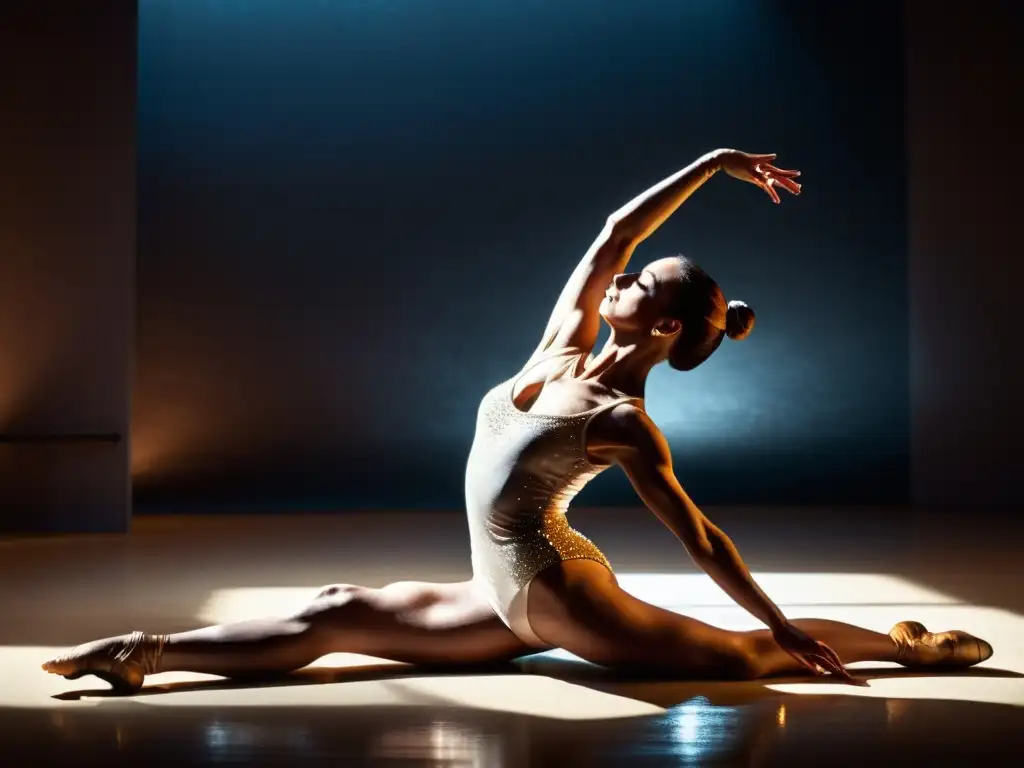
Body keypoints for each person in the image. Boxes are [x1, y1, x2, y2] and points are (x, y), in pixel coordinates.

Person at [43, 148, 992, 694]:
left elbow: (701, 536)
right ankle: (145, 654)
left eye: (640, 287)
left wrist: (780, 620)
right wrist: (713, 162)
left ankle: (901, 644)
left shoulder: (624, 421)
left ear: (662, 327)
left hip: (555, 591)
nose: (619, 278)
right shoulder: (558, 346)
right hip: (497, 588)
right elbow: (617, 230)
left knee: (747, 657)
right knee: (335, 608)